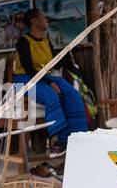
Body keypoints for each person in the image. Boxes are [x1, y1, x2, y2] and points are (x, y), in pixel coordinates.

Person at [13, 8, 88, 155]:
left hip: (44, 77)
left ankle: (75, 138)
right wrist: (50, 83)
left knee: (72, 94)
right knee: (51, 96)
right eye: (43, 18)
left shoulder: (46, 41)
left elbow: (55, 64)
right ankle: (55, 142)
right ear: (34, 21)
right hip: (24, 79)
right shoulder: (23, 42)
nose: (46, 20)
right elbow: (29, 69)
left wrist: (67, 55)